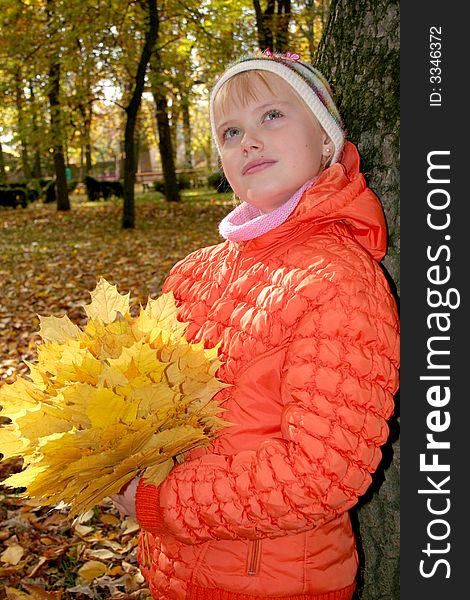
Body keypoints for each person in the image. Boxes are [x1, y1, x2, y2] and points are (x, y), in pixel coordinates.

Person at [112, 50, 400, 600]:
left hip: (275, 580)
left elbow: (324, 473)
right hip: (176, 570)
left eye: (272, 115)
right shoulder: (192, 274)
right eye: (229, 131)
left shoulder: (337, 280)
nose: (248, 140)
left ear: (325, 140)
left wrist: (163, 502)